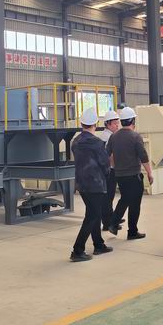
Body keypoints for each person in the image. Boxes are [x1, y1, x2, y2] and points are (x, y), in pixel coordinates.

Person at [69, 108, 114, 262]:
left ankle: (98, 244)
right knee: (92, 216)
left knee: (95, 213)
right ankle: (77, 250)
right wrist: (107, 175)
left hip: (82, 184)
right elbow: (105, 163)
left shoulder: (75, 142)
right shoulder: (96, 143)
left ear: (81, 123)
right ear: (95, 124)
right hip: (96, 184)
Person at [106, 106, 152, 240]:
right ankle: (132, 231)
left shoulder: (113, 137)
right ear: (132, 121)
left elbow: (107, 154)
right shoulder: (135, 137)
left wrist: (114, 166)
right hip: (133, 175)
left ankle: (113, 223)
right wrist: (149, 173)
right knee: (135, 203)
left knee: (125, 198)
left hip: (119, 175)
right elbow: (143, 157)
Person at [98, 110, 122, 231]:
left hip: (105, 170)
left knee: (108, 196)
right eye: (115, 123)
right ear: (107, 124)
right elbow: (110, 156)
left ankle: (110, 218)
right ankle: (107, 222)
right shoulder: (109, 137)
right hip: (109, 170)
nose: (117, 125)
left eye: (118, 123)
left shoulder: (104, 135)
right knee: (108, 197)